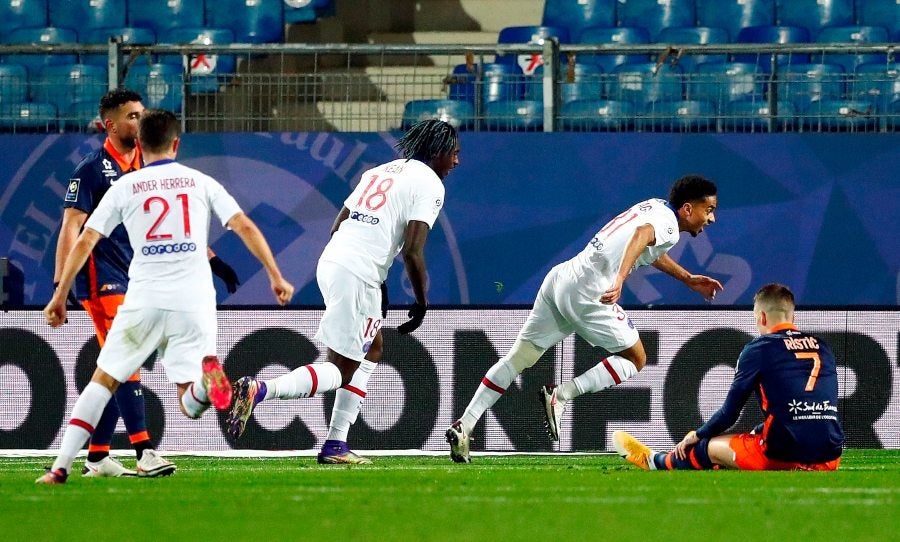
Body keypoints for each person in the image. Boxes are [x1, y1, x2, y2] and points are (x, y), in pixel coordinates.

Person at [37, 109, 294, 485]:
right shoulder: (200, 182)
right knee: (189, 403)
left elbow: (86, 238)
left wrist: (60, 294)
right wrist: (275, 275)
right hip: (194, 300)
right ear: (177, 143)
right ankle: (205, 386)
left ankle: (60, 467)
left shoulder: (125, 186)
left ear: (139, 144)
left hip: (143, 297)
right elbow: (243, 224)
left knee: (103, 379)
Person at [226, 119, 459, 464]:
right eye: (454, 153)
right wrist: (422, 301)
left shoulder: (380, 171)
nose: (456, 161)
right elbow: (412, 250)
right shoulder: (430, 184)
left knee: (372, 348)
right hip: (357, 271)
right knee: (341, 369)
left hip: (334, 260)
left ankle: (336, 444)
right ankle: (261, 390)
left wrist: (371, 279)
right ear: (438, 152)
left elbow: (340, 223)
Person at [446, 175, 723, 463]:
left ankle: (464, 425)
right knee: (636, 358)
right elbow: (642, 235)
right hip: (590, 292)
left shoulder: (655, 206)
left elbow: (648, 248)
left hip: (562, 279)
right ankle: (562, 395)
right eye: (709, 209)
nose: (712, 218)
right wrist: (619, 277)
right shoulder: (668, 226)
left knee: (518, 358)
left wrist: (687, 278)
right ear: (688, 209)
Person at [53, 89, 240, 478]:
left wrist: (214, 260)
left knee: (112, 370)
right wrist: (61, 285)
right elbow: (74, 227)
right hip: (101, 278)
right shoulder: (91, 169)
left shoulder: (147, 163)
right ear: (112, 125)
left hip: (138, 276)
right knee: (128, 364)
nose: (140, 121)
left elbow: (171, 224)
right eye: (133, 116)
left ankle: (98, 456)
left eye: (141, 115)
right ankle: (144, 451)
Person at [612, 283, 844, 471]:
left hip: (781, 456)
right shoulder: (823, 347)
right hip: (829, 457)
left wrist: (697, 434)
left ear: (762, 317)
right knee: (760, 429)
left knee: (706, 447)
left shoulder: (758, 349)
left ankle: (655, 462)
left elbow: (729, 414)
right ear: (792, 317)